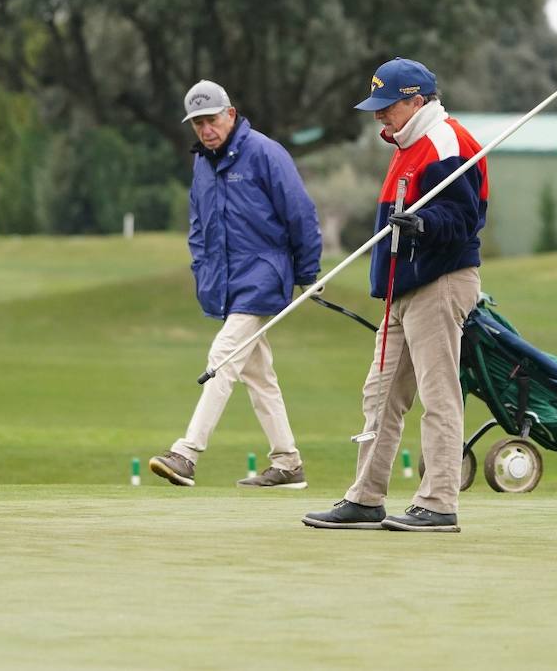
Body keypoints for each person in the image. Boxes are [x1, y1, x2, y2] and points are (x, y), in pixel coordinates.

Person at [303, 58, 487, 532]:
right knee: (380, 397)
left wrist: (424, 224)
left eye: (388, 105)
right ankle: (366, 498)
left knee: (438, 394)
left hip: (440, 281)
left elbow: (465, 217)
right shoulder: (407, 143)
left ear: (417, 101)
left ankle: (439, 503)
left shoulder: (446, 141)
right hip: (404, 287)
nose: (380, 115)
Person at [149, 80, 322, 489]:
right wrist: (202, 270)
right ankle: (288, 462)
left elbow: (300, 213)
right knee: (258, 374)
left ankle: (187, 453)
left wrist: (307, 273)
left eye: (211, 120)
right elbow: (199, 225)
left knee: (223, 357)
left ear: (230, 114)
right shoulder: (202, 163)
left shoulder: (264, 152)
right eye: (198, 124)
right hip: (228, 280)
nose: (206, 129)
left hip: (264, 274)